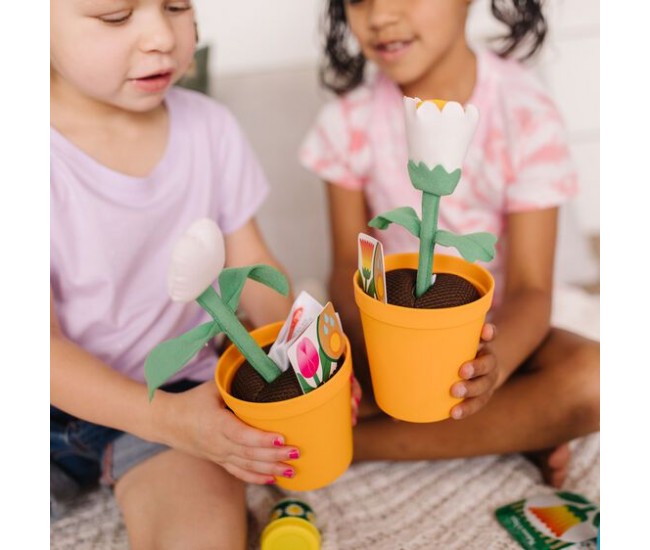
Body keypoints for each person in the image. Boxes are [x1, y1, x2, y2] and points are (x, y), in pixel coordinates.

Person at [299, 0, 599, 489]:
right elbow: (350, 269)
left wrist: (493, 373)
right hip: (388, 334)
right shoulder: (347, 122)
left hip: (494, 332)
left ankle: (349, 445)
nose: (379, 16)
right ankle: (513, 427)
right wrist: (380, 363)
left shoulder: (524, 113)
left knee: (599, 379)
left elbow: (530, 291)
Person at [50, 1, 305, 548]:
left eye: (176, 6)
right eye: (117, 16)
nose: (162, 36)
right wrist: (170, 422)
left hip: (180, 391)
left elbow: (253, 272)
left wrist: (305, 368)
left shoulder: (209, 127)